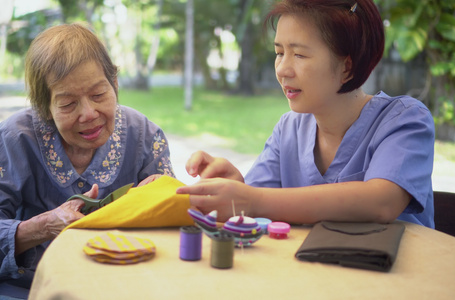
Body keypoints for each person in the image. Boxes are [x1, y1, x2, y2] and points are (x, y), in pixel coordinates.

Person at [0, 23, 174, 299]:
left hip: (120, 285)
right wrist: (43, 226)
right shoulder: (14, 140)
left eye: (99, 94)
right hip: (24, 288)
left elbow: (176, 229)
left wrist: (163, 199)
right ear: (44, 108)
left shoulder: (145, 136)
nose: (88, 113)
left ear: (115, 84)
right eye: (68, 104)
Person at [177, 0, 435, 228]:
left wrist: (251, 200)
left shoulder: (405, 120)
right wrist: (235, 186)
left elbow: (381, 202)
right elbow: (258, 207)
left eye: (299, 54)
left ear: (348, 66)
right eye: (279, 53)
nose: (282, 70)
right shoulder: (289, 129)